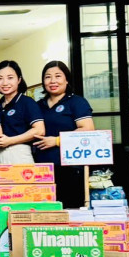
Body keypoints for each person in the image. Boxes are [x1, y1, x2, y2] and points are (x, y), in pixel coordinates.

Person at [35, 59, 96, 209]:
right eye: (48, 77)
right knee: (45, 213)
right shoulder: (38, 105)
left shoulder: (76, 102)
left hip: (69, 168)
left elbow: (88, 129)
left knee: (70, 211)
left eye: (58, 76)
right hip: (41, 170)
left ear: (67, 79)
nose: (52, 81)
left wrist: (57, 140)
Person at [0, 60, 45, 164]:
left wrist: (10, 140)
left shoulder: (26, 102)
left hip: (20, 152)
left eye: (10, 78)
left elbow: (39, 130)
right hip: (0, 154)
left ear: (19, 79)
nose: (5, 83)